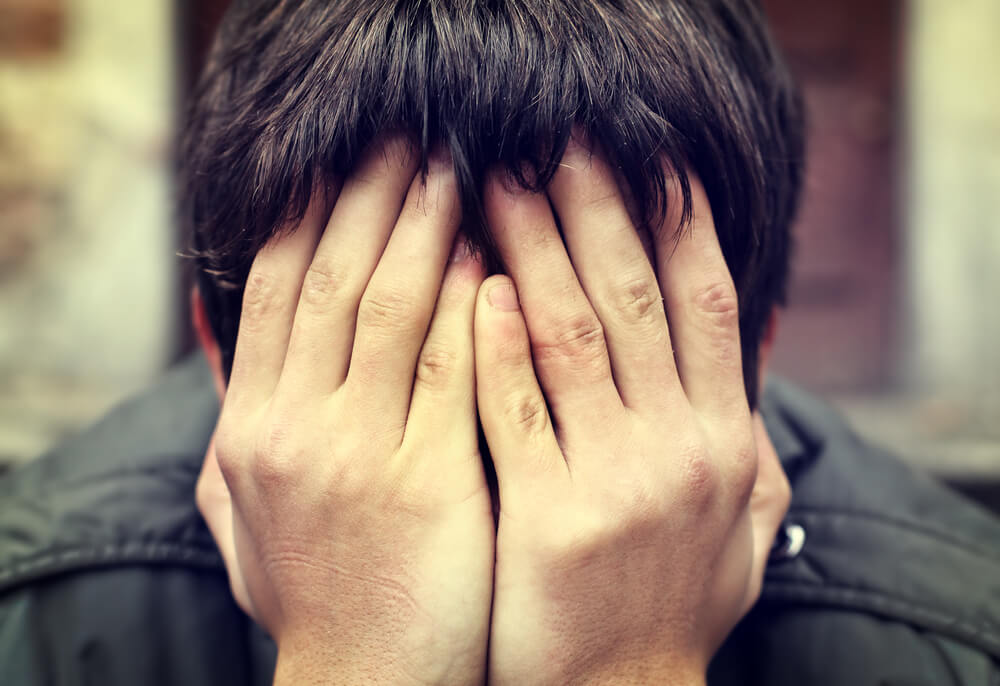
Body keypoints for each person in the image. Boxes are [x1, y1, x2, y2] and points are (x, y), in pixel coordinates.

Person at [1, 0, 998, 683]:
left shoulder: (948, 635)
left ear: (756, 357)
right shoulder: (38, 622)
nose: (483, 551)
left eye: (575, 401)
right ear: (222, 361)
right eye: (391, 392)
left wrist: (622, 662)